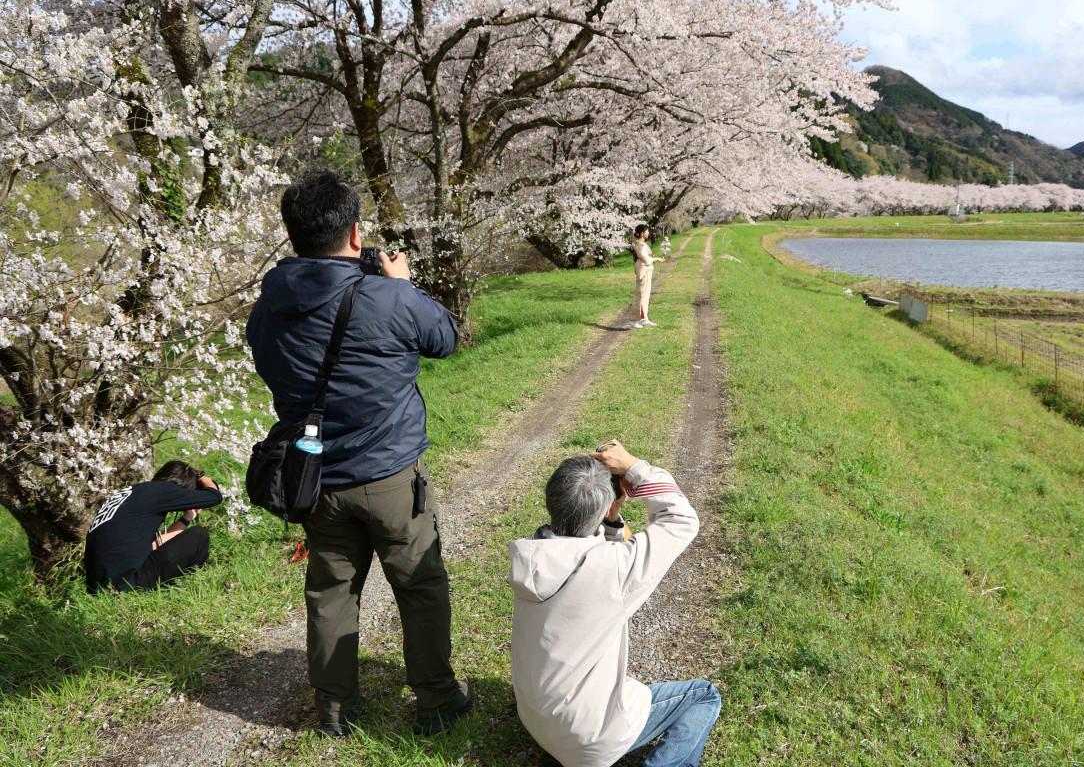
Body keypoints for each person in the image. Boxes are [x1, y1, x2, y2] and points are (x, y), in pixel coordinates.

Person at [246, 168, 470, 738]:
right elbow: (445, 339)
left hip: (315, 478)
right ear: (354, 233)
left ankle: (334, 709)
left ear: (294, 234)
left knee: (330, 591)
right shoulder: (387, 297)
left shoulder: (267, 307)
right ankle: (437, 700)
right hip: (391, 475)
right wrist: (403, 286)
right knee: (419, 585)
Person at [508, 441, 721, 767]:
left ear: (551, 501)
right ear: (606, 506)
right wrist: (635, 467)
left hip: (535, 719)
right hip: (587, 740)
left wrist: (611, 519)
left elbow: (589, 555)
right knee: (703, 696)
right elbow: (682, 519)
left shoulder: (531, 555)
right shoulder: (615, 572)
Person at [84, 460, 221, 593]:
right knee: (199, 535)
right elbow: (214, 496)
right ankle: (194, 587)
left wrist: (186, 518)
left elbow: (154, 545)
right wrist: (200, 476)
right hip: (125, 583)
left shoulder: (136, 491)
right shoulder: (166, 490)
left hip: (99, 586)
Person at [628, 223, 665, 329]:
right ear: (641, 233)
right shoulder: (640, 244)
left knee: (645, 295)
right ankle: (634, 320)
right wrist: (656, 259)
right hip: (643, 271)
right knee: (641, 294)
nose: (648, 233)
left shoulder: (642, 244)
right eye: (647, 231)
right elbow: (645, 258)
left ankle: (644, 318)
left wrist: (654, 258)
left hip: (646, 271)